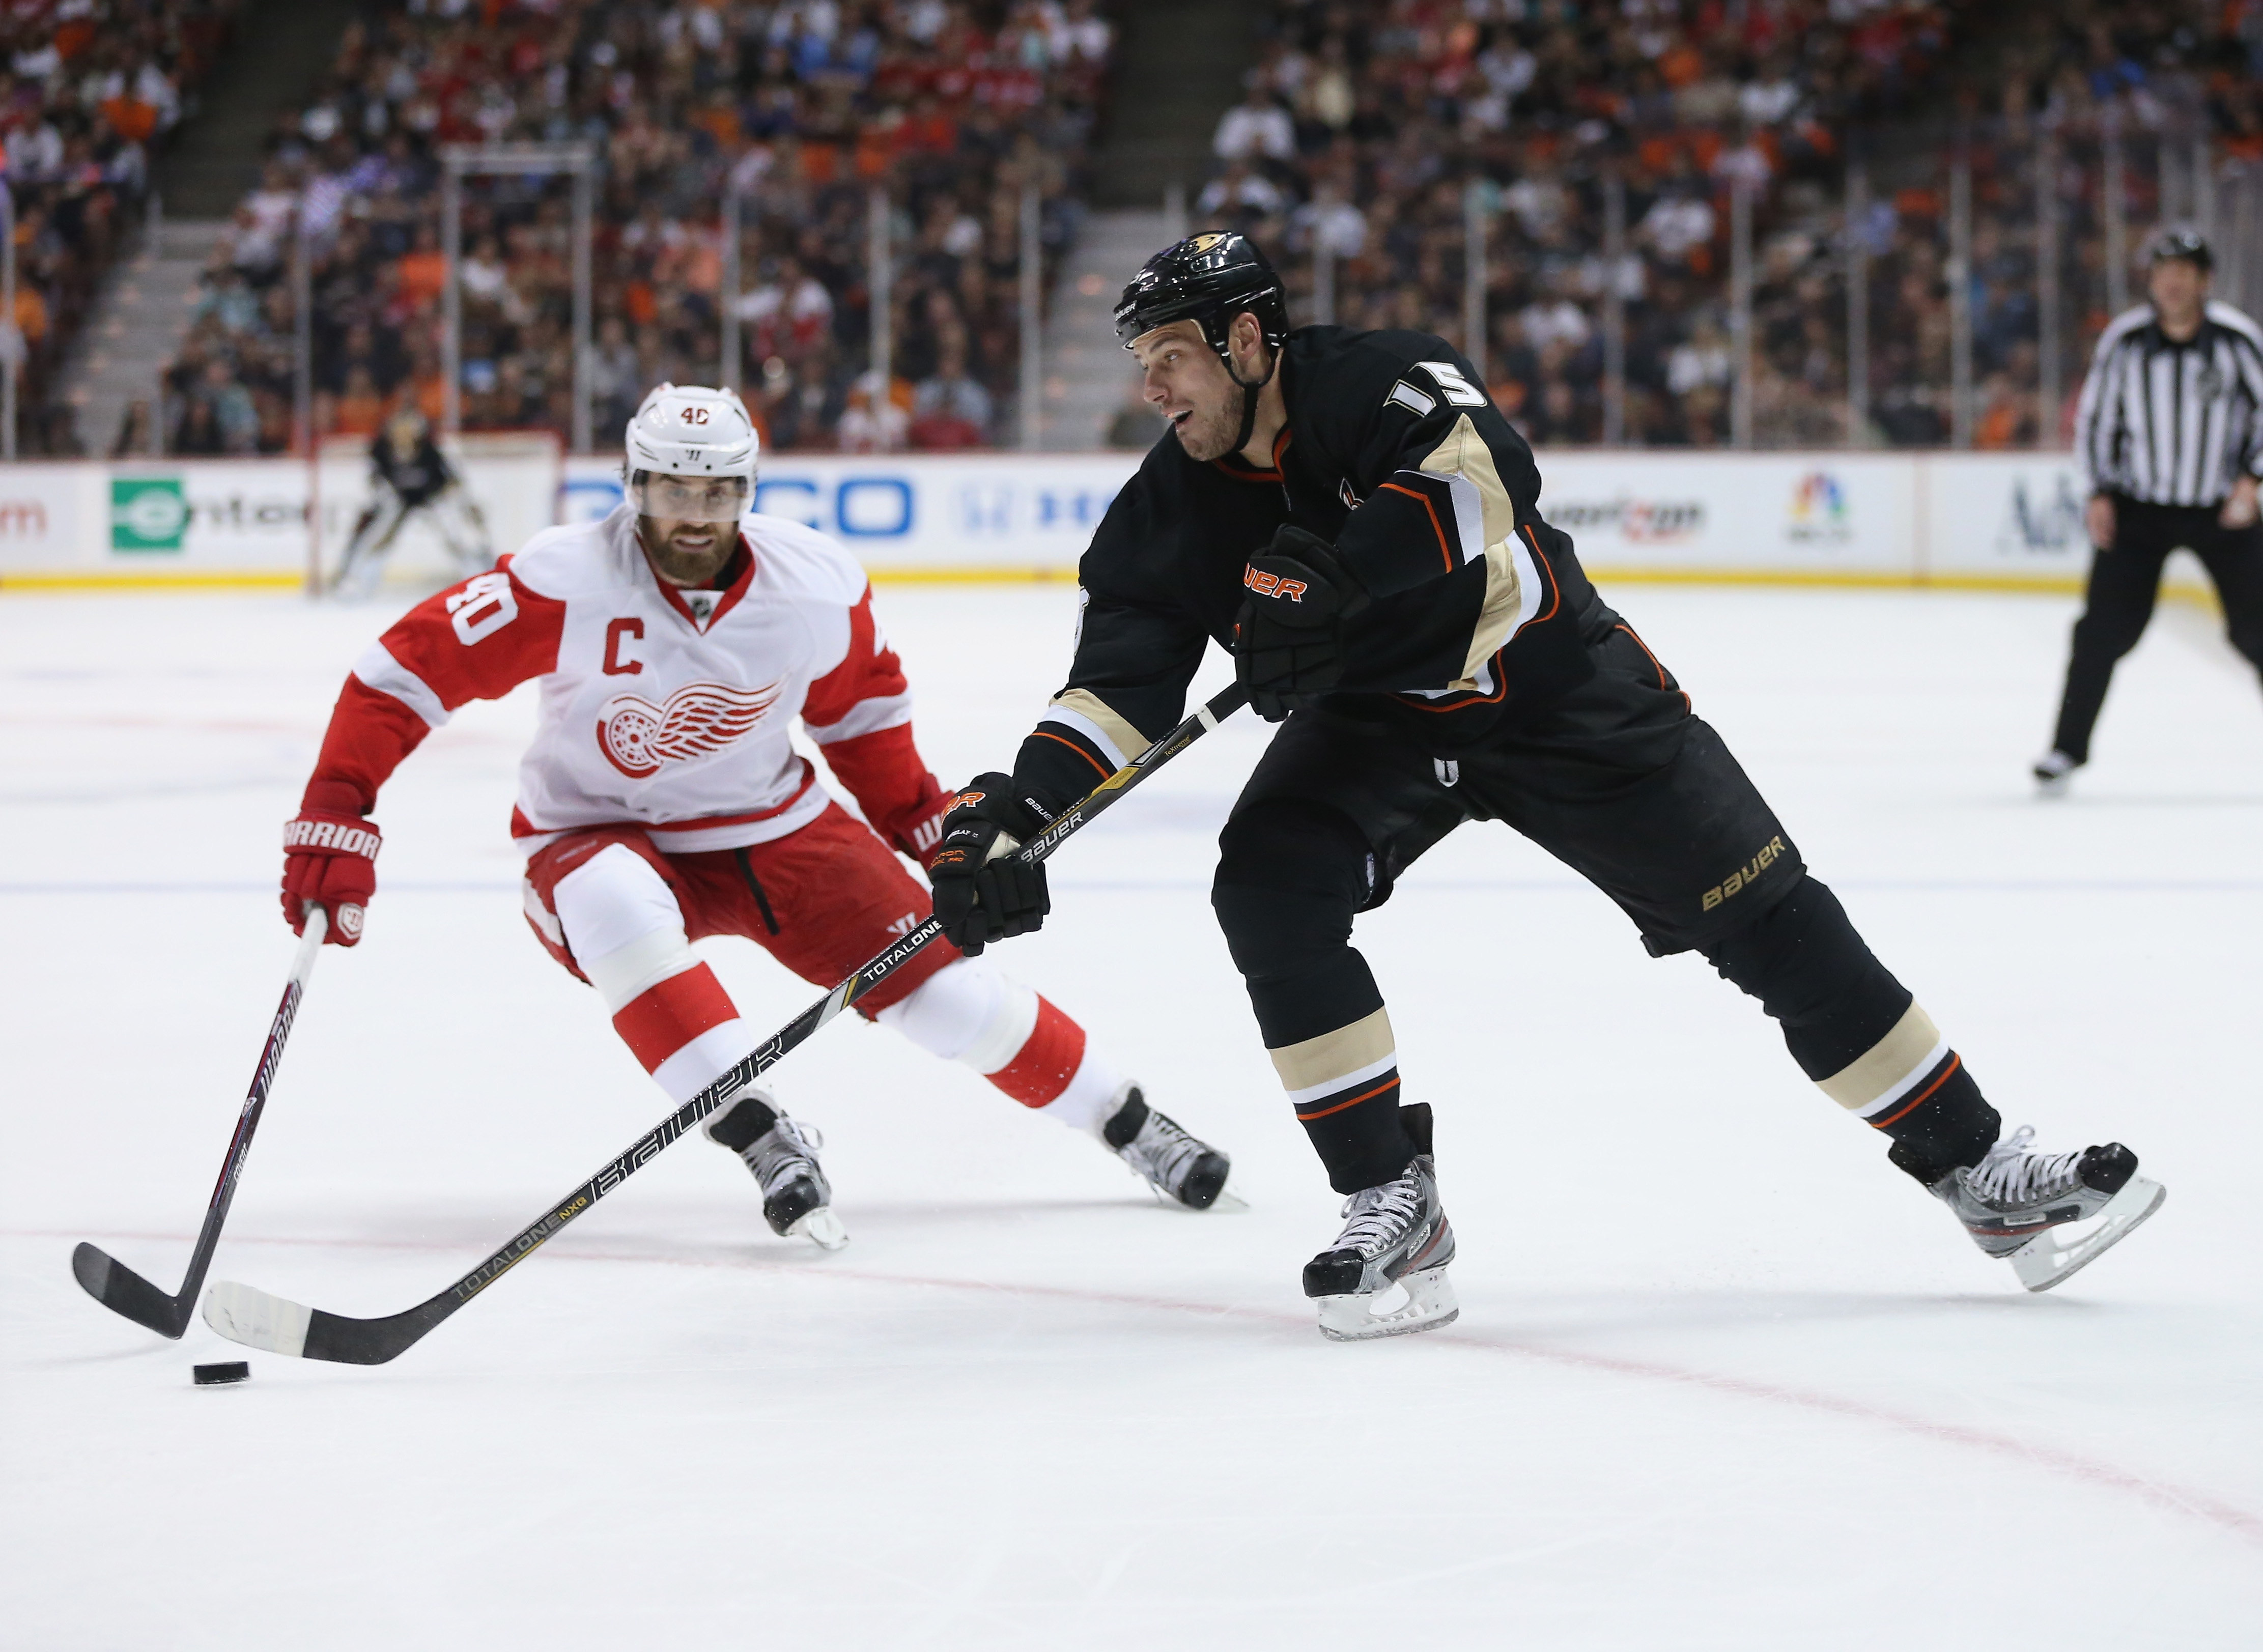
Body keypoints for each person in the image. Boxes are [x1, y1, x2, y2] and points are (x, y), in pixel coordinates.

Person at [928, 233, 2163, 1341]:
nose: (1152, 388)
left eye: (1171, 357)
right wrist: (1021, 816)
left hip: (1557, 684)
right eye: (1143, 360)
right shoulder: (1166, 511)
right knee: (1267, 883)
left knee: (1770, 916)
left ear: (1250, 340)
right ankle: (1386, 1201)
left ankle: (1984, 1168)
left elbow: (1489, 475)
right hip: (1380, 725)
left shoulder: (1372, 377)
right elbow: (1116, 687)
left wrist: (1340, 580)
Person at [278, 384, 1230, 1248]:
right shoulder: (563, 578)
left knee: (940, 994)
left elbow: (863, 726)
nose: (694, 517)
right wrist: (337, 811)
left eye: (718, 493)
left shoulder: (812, 584)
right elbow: (401, 677)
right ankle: (761, 1133)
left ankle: (1130, 1120)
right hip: (590, 833)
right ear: (632, 485)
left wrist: (935, 832)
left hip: (776, 827)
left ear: (749, 489)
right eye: (671, 492)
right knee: (615, 903)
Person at [2034, 229, 2263, 792]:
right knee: (2100, 634)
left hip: (2222, 511)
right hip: (2139, 510)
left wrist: (2252, 481)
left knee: (2259, 631)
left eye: (2186, 270)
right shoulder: (2126, 341)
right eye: (2164, 269)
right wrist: (2098, 492)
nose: (2174, 280)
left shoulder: (2237, 340)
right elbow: (2094, 420)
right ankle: (2066, 750)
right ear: (2152, 280)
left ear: (2204, 281)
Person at [329, 407, 495, 599]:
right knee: (376, 537)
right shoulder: (381, 450)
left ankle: (481, 578)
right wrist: (385, 497)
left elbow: (452, 481)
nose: (404, 435)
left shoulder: (431, 450)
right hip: (398, 500)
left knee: (456, 536)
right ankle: (355, 583)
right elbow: (375, 480)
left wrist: (452, 502)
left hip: (432, 497)